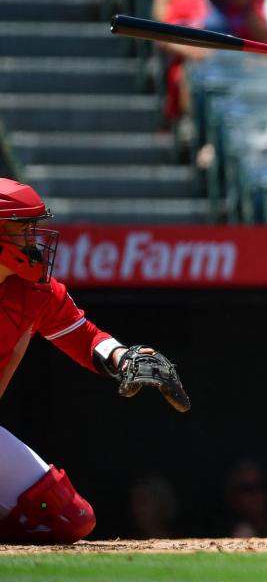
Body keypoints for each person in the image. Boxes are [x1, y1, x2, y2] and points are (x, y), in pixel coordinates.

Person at [0, 178, 190, 544]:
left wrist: (125, 358)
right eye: (23, 229)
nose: (34, 241)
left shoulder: (35, 291)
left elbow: (85, 337)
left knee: (69, 518)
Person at [163, 0, 267, 119]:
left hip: (239, 71)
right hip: (201, 71)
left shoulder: (246, 5)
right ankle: (194, 128)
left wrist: (245, 7)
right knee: (187, 72)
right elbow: (164, 38)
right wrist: (196, 52)